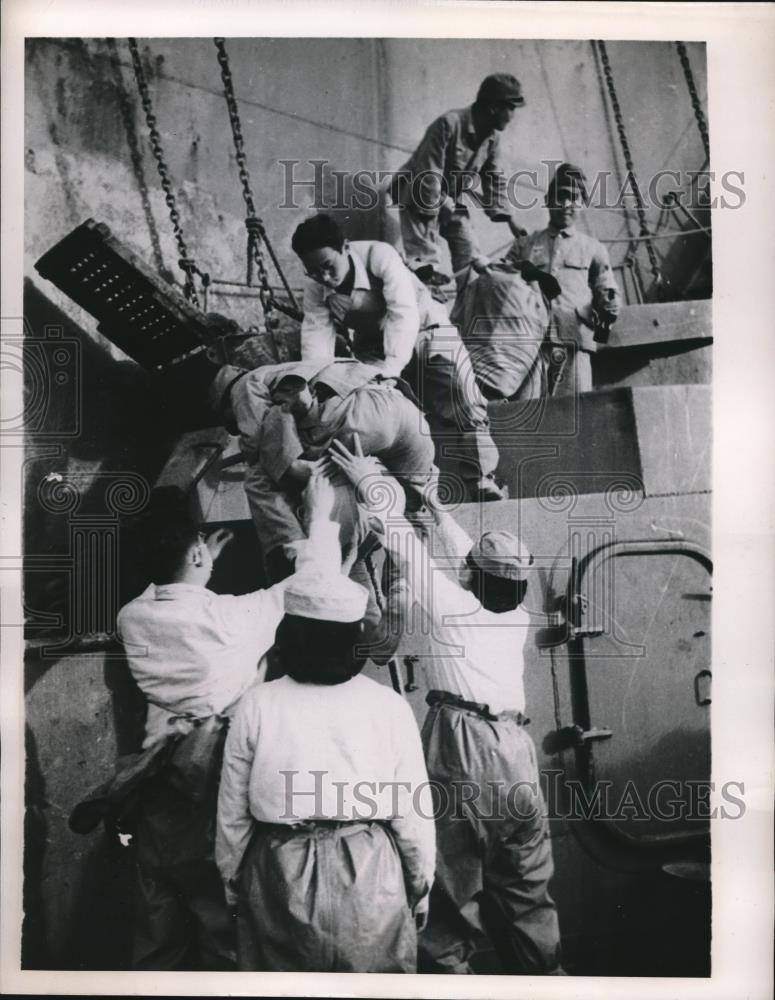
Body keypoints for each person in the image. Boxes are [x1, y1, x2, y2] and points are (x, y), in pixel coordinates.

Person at [329, 437, 563, 975]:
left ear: (475, 581)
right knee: (527, 884)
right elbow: (467, 562)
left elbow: (406, 549)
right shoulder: (516, 614)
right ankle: (548, 976)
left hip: (466, 749)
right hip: (516, 752)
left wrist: (369, 482)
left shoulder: (456, 608)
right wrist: (437, 510)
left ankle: (453, 978)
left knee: (452, 877)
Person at [215, 474, 436, 972]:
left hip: (277, 875)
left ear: (289, 635)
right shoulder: (388, 707)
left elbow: (232, 815)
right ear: (353, 641)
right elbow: (413, 819)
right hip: (373, 874)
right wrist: (418, 887)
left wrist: (233, 884)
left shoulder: (257, 704)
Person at [113, 489, 290, 970]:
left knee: (157, 922)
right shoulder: (227, 617)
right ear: (194, 551)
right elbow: (302, 586)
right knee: (223, 919)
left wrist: (194, 563)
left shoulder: (131, 617)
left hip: (157, 775)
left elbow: (165, 591)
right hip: (213, 777)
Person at [291, 213, 505, 501]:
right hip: (373, 348)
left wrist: (391, 371)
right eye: (314, 272)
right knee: (372, 410)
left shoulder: (380, 255)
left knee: (460, 391)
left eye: (328, 267)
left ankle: (481, 479)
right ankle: (401, 492)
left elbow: (403, 315)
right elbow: (316, 338)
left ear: (344, 247)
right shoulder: (317, 288)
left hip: (425, 329)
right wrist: (317, 382)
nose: (324, 278)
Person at [389, 73, 527, 286]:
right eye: (511, 108)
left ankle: (466, 306)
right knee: (425, 260)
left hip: (449, 200)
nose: (512, 116)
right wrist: (441, 203)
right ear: (493, 108)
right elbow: (428, 172)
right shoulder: (448, 124)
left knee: (471, 256)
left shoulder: (492, 138)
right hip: (418, 193)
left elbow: (494, 178)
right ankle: (425, 300)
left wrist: (512, 221)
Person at [505, 161, 622, 395]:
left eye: (575, 198)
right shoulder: (525, 245)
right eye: (561, 196)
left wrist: (608, 305)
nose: (567, 205)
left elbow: (607, 291)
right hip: (529, 344)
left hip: (573, 342)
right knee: (526, 412)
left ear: (583, 204)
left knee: (576, 414)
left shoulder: (593, 248)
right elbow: (504, 286)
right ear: (548, 200)